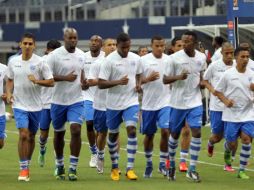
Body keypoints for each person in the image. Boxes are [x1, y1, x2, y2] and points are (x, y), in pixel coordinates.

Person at [6, 32, 54, 182]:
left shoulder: (41, 62)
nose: (27, 46)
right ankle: (23, 169)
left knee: (32, 136)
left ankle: (27, 163)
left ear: (34, 46)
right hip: (19, 104)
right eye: (24, 43)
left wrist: (37, 81)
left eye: (30, 44)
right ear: (20, 44)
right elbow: (9, 80)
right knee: (23, 134)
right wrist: (8, 94)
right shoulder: (13, 62)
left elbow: (51, 81)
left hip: (36, 106)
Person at [98, 33, 142, 181]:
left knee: (131, 129)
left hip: (131, 101)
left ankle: (130, 168)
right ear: (117, 46)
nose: (126, 50)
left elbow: (139, 74)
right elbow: (101, 83)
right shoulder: (109, 61)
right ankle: (115, 167)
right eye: (123, 47)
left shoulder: (136, 58)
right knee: (113, 135)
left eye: (128, 47)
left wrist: (138, 85)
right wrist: (117, 82)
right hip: (113, 103)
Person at [163, 31, 206, 182]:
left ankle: (192, 169)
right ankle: (172, 165)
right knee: (174, 134)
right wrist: (178, 77)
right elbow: (165, 79)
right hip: (177, 103)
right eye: (183, 41)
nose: (184, 44)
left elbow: (201, 74)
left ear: (194, 43)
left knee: (196, 131)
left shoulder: (201, 57)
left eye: (188, 42)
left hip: (195, 101)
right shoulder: (174, 59)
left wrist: (201, 82)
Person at [47, 28, 85, 181]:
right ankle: (60, 164)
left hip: (76, 100)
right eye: (70, 38)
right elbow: (47, 76)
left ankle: (73, 168)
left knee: (76, 130)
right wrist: (65, 78)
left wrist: (85, 83)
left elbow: (82, 75)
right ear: (64, 38)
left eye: (75, 38)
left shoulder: (82, 55)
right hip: (57, 101)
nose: (73, 40)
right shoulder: (54, 56)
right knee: (59, 134)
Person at [214, 47, 254, 179]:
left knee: (246, 140)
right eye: (242, 57)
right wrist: (226, 101)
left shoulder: (252, 74)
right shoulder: (228, 74)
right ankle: (227, 148)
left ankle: (241, 170)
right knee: (232, 143)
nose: (246, 59)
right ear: (236, 58)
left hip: (248, 113)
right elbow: (217, 91)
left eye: (247, 57)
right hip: (231, 115)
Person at [139, 36, 170, 178]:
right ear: (152, 45)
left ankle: (163, 164)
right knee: (149, 135)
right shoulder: (143, 61)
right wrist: (147, 79)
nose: (160, 48)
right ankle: (149, 163)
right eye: (157, 45)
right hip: (148, 104)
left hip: (166, 102)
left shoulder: (169, 60)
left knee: (165, 131)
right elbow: (137, 82)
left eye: (162, 45)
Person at [203, 42, 235, 172]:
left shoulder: (237, 66)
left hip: (232, 108)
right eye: (226, 53)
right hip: (217, 107)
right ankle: (210, 144)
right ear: (221, 53)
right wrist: (213, 91)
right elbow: (204, 80)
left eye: (231, 53)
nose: (229, 55)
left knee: (232, 137)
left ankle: (228, 163)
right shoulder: (214, 66)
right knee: (217, 137)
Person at [87, 38, 116, 174]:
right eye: (109, 45)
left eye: (115, 45)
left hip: (116, 103)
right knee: (102, 133)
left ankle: (115, 163)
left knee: (115, 132)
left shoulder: (119, 63)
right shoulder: (98, 64)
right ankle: (100, 155)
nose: (113, 47)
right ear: (103, 48)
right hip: (100, 103)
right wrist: (104, 81)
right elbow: (91, 81)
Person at [38, 39, 61, 167]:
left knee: (58, 133)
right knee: (44, 134)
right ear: (47, 50)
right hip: (44, 103)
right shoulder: (41, 62)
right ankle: (42, 150)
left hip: (58, 102)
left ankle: (58, 162)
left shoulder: (62, 62)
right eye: (50, 51)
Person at [83, 35, 105, 168]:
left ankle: (100, 151)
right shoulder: (84, 57)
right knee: (89, 123)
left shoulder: (105, 58)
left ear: (101, 44)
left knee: (100, 128)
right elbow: (80, 72)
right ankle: (93, 152)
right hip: (87, 96)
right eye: (92, 41)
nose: (94, 43)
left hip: (103, 97)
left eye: (97, 41)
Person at [0, 62, 7, 149]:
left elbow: (11, 81)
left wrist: (8, 94)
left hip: (0, 111)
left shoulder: (3, 68)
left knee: (0, 144)